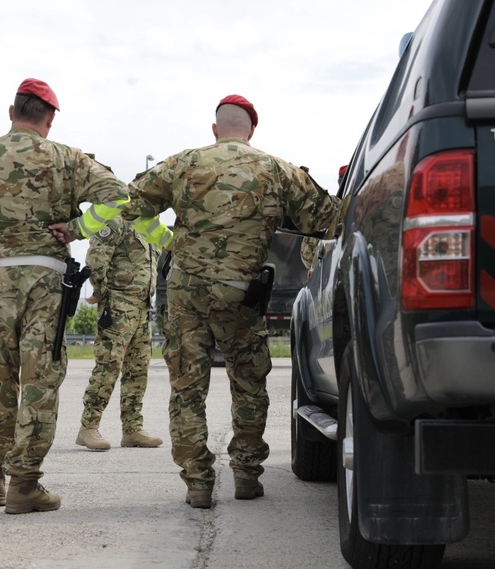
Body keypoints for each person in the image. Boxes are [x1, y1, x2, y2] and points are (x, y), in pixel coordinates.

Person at [107, 95, 339, 509]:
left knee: (187, 389)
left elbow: (128, 205)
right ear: (252, 130)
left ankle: (198, 483)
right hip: (241, 292)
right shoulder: (277, 169)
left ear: (216, 130)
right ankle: (247, 476)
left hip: (186, 292)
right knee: (249, 385)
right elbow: (326, 220)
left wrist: (170, 238)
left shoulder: (183, 163)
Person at [0, 77, 172, 514]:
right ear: (50, 118)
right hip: (45, 277)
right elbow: (119, 196)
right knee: (39, 377)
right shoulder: (65, 158)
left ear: (11, 112)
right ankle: (25, 484)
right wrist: (77, 228)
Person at [75, 217, 164, 451]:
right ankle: (88, 427)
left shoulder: (150, 226)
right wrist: (102, 293)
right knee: (109, 366)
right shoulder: (116, 223)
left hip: (143, 308)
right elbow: (96, 258)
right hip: (118, 307)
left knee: (138, 370)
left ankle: (133, 429)